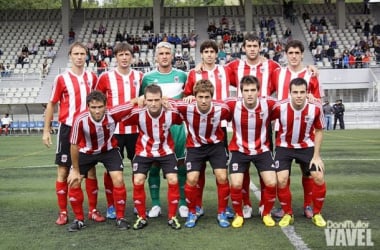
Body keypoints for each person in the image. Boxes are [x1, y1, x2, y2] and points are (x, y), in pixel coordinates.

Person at [42, 42, 105, 226]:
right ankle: (63, 212)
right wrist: (47, 130)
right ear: (70, 56)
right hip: (68, 128)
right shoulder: (62, 79)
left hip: (87, 129)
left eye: (82, 53)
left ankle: (92, 210)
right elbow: (52, 104)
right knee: (63, 170)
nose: (79, 57)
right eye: (76, 53)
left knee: (90, 170)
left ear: (87, 56)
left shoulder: (93, 78)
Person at [117, 84, 182, 230]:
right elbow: (118, 114)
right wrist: (135, 101)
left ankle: (172, 217)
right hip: (144, 151)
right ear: (145, 100)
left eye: (157, 100)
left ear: (161, 99)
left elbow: (184, 110)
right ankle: (141, 217)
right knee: (138, 180)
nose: (153, 103)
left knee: (173, 179)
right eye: (150, 100)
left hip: (166, 151)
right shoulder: (137, 113)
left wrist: (170, 101)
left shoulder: (171, 112)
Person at [271, 40, 323, 220]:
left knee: (307, 173)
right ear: (285, 54)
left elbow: (318, 103)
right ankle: (283, 206)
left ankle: (308, 205)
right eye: (290, 53)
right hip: (282, 131)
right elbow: (265, 89)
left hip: (305, 134)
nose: (293, 56)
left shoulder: (311, 75)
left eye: (296, 53)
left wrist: (313, 98)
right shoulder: (277, 73)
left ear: (302, 54)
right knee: (282, 175)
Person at [183, 40, 233, 219]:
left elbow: (247, 72)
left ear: (216, 54)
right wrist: (189, 97)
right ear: (201, 54)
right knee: (198, 172)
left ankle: (224, 209)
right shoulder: (193, 74)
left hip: (219, 128)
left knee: (221, 173)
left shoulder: (226, 70)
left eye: (212, 51)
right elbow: (187, 94)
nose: (209, 54)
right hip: (198, 130)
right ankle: (197, 205)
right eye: (206, 51)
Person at [66, 91, 129, 232]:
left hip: (109, 150)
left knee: (118, 179)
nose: (97, 110)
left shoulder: (113, 113)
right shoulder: (80, 119)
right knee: (74, 181)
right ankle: (79, 219)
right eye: (93, 107)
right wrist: (75, 170)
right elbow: (74, 145)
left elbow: (134, 102)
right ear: (88, 106)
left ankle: (120, 218)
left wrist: (143, 99)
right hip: (86, 152)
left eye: (100, 107)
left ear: (106, 106)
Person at [95, 42, 143, 219]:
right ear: (115, 57)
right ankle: (111, 205)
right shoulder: (105, 78)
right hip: (113, 131)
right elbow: (97, 102)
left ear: (132, 57)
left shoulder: (140, 76)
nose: (124, 57)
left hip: (136, 130)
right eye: (120, 54)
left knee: (138, 169)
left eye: (127, 54)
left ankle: (138, 204)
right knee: (111, 170)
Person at [174, 79, 231, 228]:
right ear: (195, 96)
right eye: (200, 97)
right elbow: (165, 100)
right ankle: (193, 211)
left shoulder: (222, 108)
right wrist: (140, 99)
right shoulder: (186, 107)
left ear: (212, 97)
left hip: (216, 146)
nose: (204, 100)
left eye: (207, 97)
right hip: (195, 146)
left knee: (222, 177)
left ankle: (222, 212)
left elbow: (234, 114)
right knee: (192, 179)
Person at [141, 42, 188, 218]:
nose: (164, 56)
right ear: (156, 56)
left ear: (173, 55)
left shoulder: (183, 75)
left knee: (180, 164)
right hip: (155, 130)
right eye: (161, 53)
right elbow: (143, 101)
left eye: (167, 53)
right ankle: (155, 205)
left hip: (176, 128)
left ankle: (182, 203)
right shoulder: (147, 78)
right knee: (154, 165)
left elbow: (189, 97)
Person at [225, 75, 277, 228]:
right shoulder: (232, 104)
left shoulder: (268, 103)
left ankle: (266, 213)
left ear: (258, 91)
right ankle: (239, 214)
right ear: (241, 92)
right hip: (239, 150)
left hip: (262, 150)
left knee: (272, 182)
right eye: (246, 90)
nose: (249, 93)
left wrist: (309, 97)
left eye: (253, 90)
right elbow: (211, 105)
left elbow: (287, 104)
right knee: (235, 183)